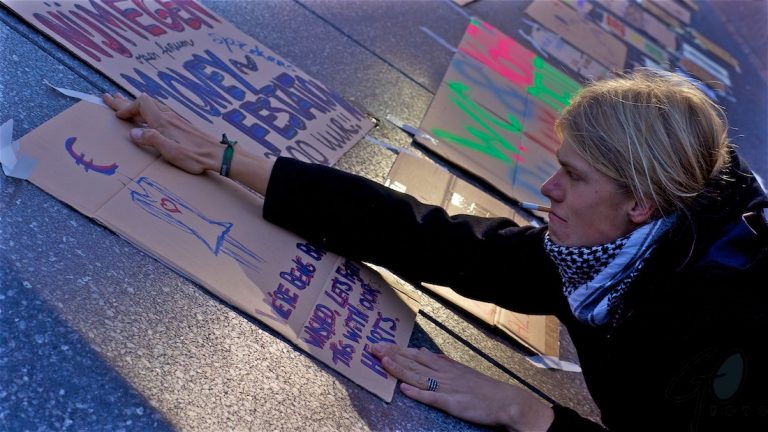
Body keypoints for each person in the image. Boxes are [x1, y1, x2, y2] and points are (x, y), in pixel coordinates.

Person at [104, 69, 767, 431]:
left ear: (640, 203)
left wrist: (528, 413)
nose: (548, 189)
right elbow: (434, 241)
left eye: (575, 177)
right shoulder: (615, 253)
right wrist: (230, 159)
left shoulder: (727, 323)